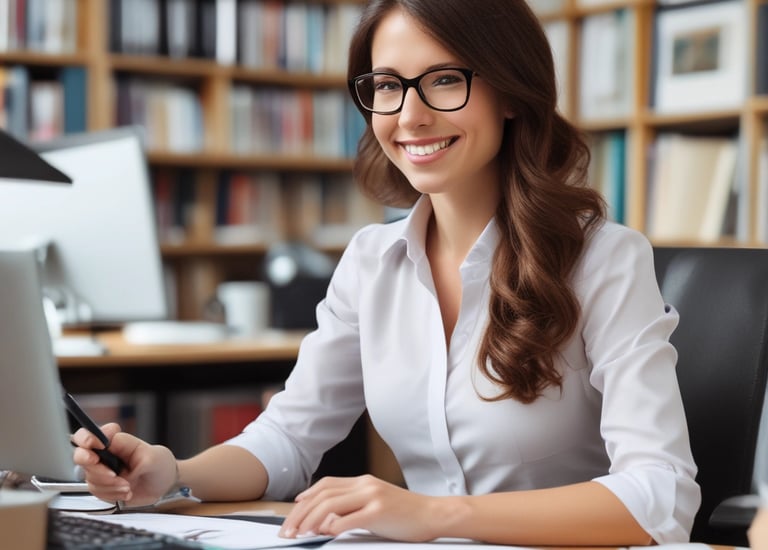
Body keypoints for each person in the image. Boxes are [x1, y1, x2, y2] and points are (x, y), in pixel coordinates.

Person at [72, 0, 701, 545]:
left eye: (444, 81)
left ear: (511, 92)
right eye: (386, 85)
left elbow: (659, 493)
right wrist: (174, 472)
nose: (409, 116)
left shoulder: (604, 260)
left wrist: (434, 515)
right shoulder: (371, 263)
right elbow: (288, 438)